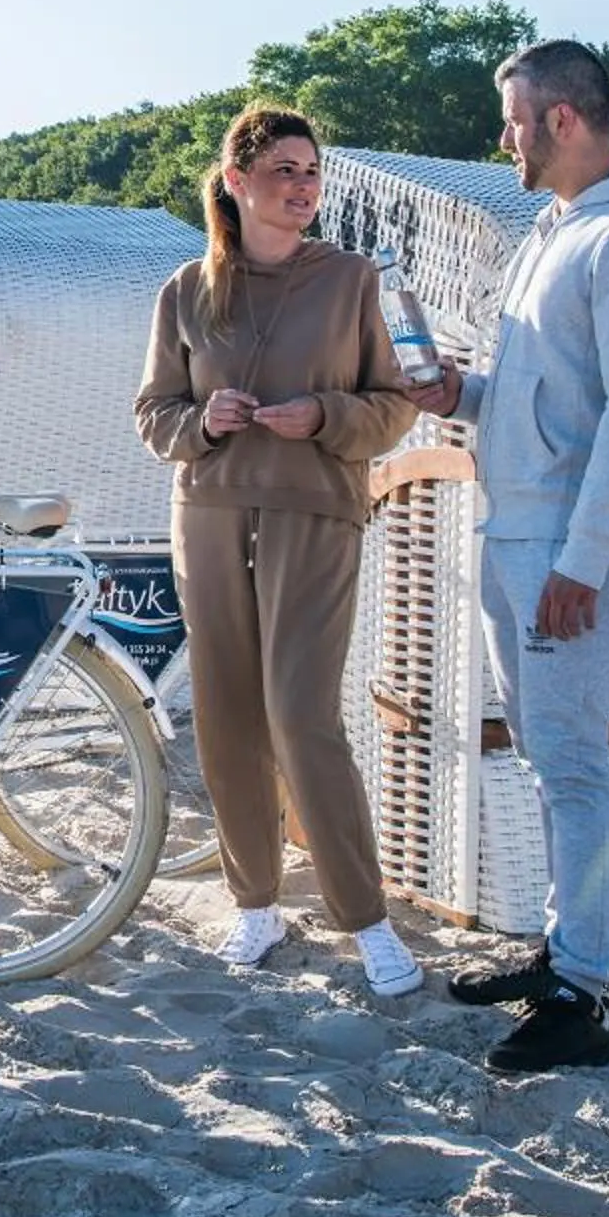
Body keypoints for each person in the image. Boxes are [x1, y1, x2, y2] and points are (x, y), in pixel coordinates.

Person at [405, 40, 609, 1076]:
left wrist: (584, 558)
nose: (504, 140)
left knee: (573, 764)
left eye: (513, 119)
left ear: (563, 119)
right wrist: (464, 395)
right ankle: (559, 955)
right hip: (517, 530)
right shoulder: (551, 233)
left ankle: (582, 999)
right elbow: (553, 396)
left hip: (571, 550)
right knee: (545, 757)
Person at [135, 104, 424, 994]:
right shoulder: (187, 288)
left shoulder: (353, 282)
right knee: (225, 718)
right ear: (237, 182)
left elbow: (397, 401)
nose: (302, 187)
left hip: (316, 509)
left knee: (301, 715)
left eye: (310, 172)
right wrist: (202, 422)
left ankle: (365, 920)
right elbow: (154, 416)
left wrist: (326, 416)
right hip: (210, 510)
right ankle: (255, 907)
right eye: (284, 171)